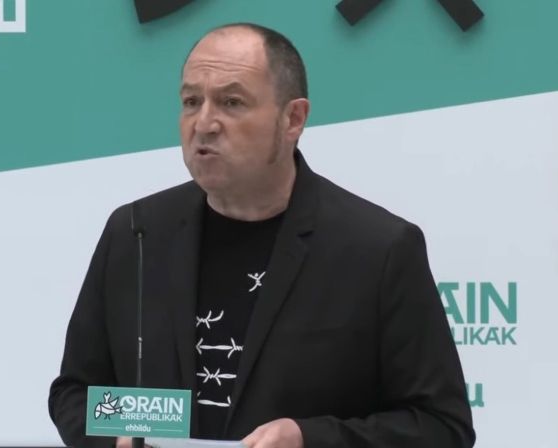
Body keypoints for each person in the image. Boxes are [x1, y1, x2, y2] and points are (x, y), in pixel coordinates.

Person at [49, 23, 475, 448]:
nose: (204, 123)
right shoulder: (135, 232)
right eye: (191, 101)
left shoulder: (378, 248)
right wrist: (120, 435)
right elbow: (75, 392)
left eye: (232, 102)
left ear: (293, 119)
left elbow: (441, 425)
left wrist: (310, 439)